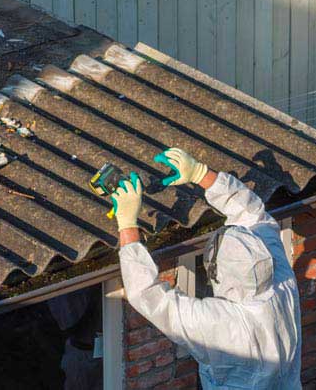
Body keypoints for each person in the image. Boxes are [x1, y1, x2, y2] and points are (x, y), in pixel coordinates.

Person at [111, 148, 301, 389]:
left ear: (217, 275)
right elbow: (254, 215)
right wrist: (200, 173)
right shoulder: (282, 283)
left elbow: (147, 295)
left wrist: (127, 224)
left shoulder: (220, 324)